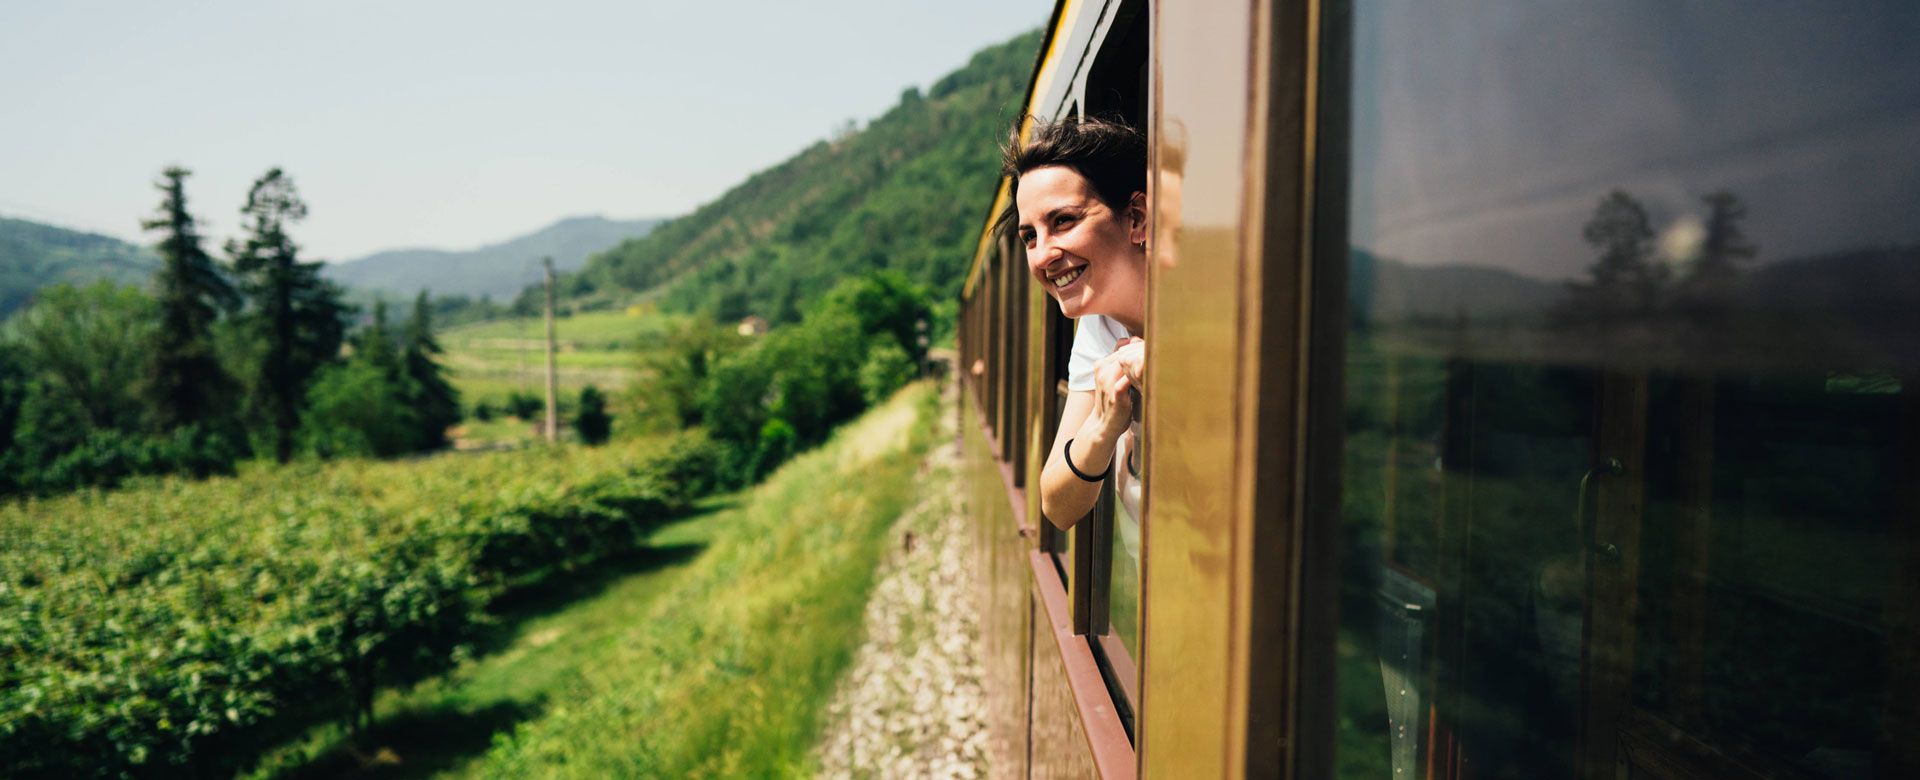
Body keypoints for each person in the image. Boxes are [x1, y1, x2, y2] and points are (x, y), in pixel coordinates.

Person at [1004, 115, 1148, 527]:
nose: (1043, 255)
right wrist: (1102, 427)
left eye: (1063, 220)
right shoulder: (1100, 325)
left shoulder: (1213, 306)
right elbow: (1057, 506)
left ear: (1135, 217)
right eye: (1030, 236)